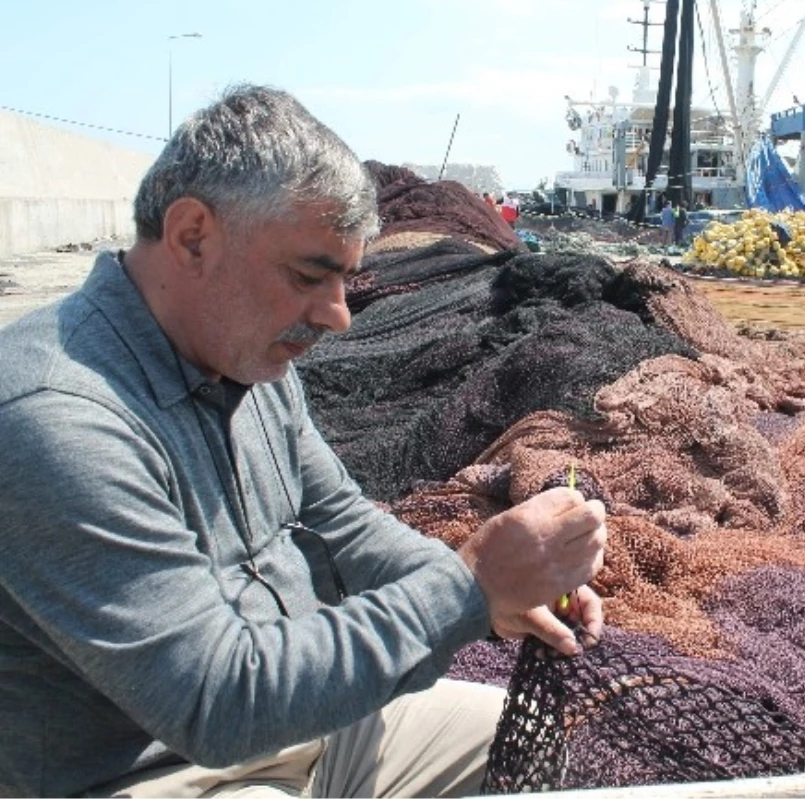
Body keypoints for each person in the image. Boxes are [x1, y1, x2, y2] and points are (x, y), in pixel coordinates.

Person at [0, 85, 607, 799]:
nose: (339, 317)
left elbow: (343, 527)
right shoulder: (58, 418)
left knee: (550, 749)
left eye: (347, 280)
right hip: (160, 769)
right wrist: (466, 588)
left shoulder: (248, 358)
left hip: (310, 727)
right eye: (309, 275)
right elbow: (214, 699)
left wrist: (498, 597)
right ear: (193, 235)